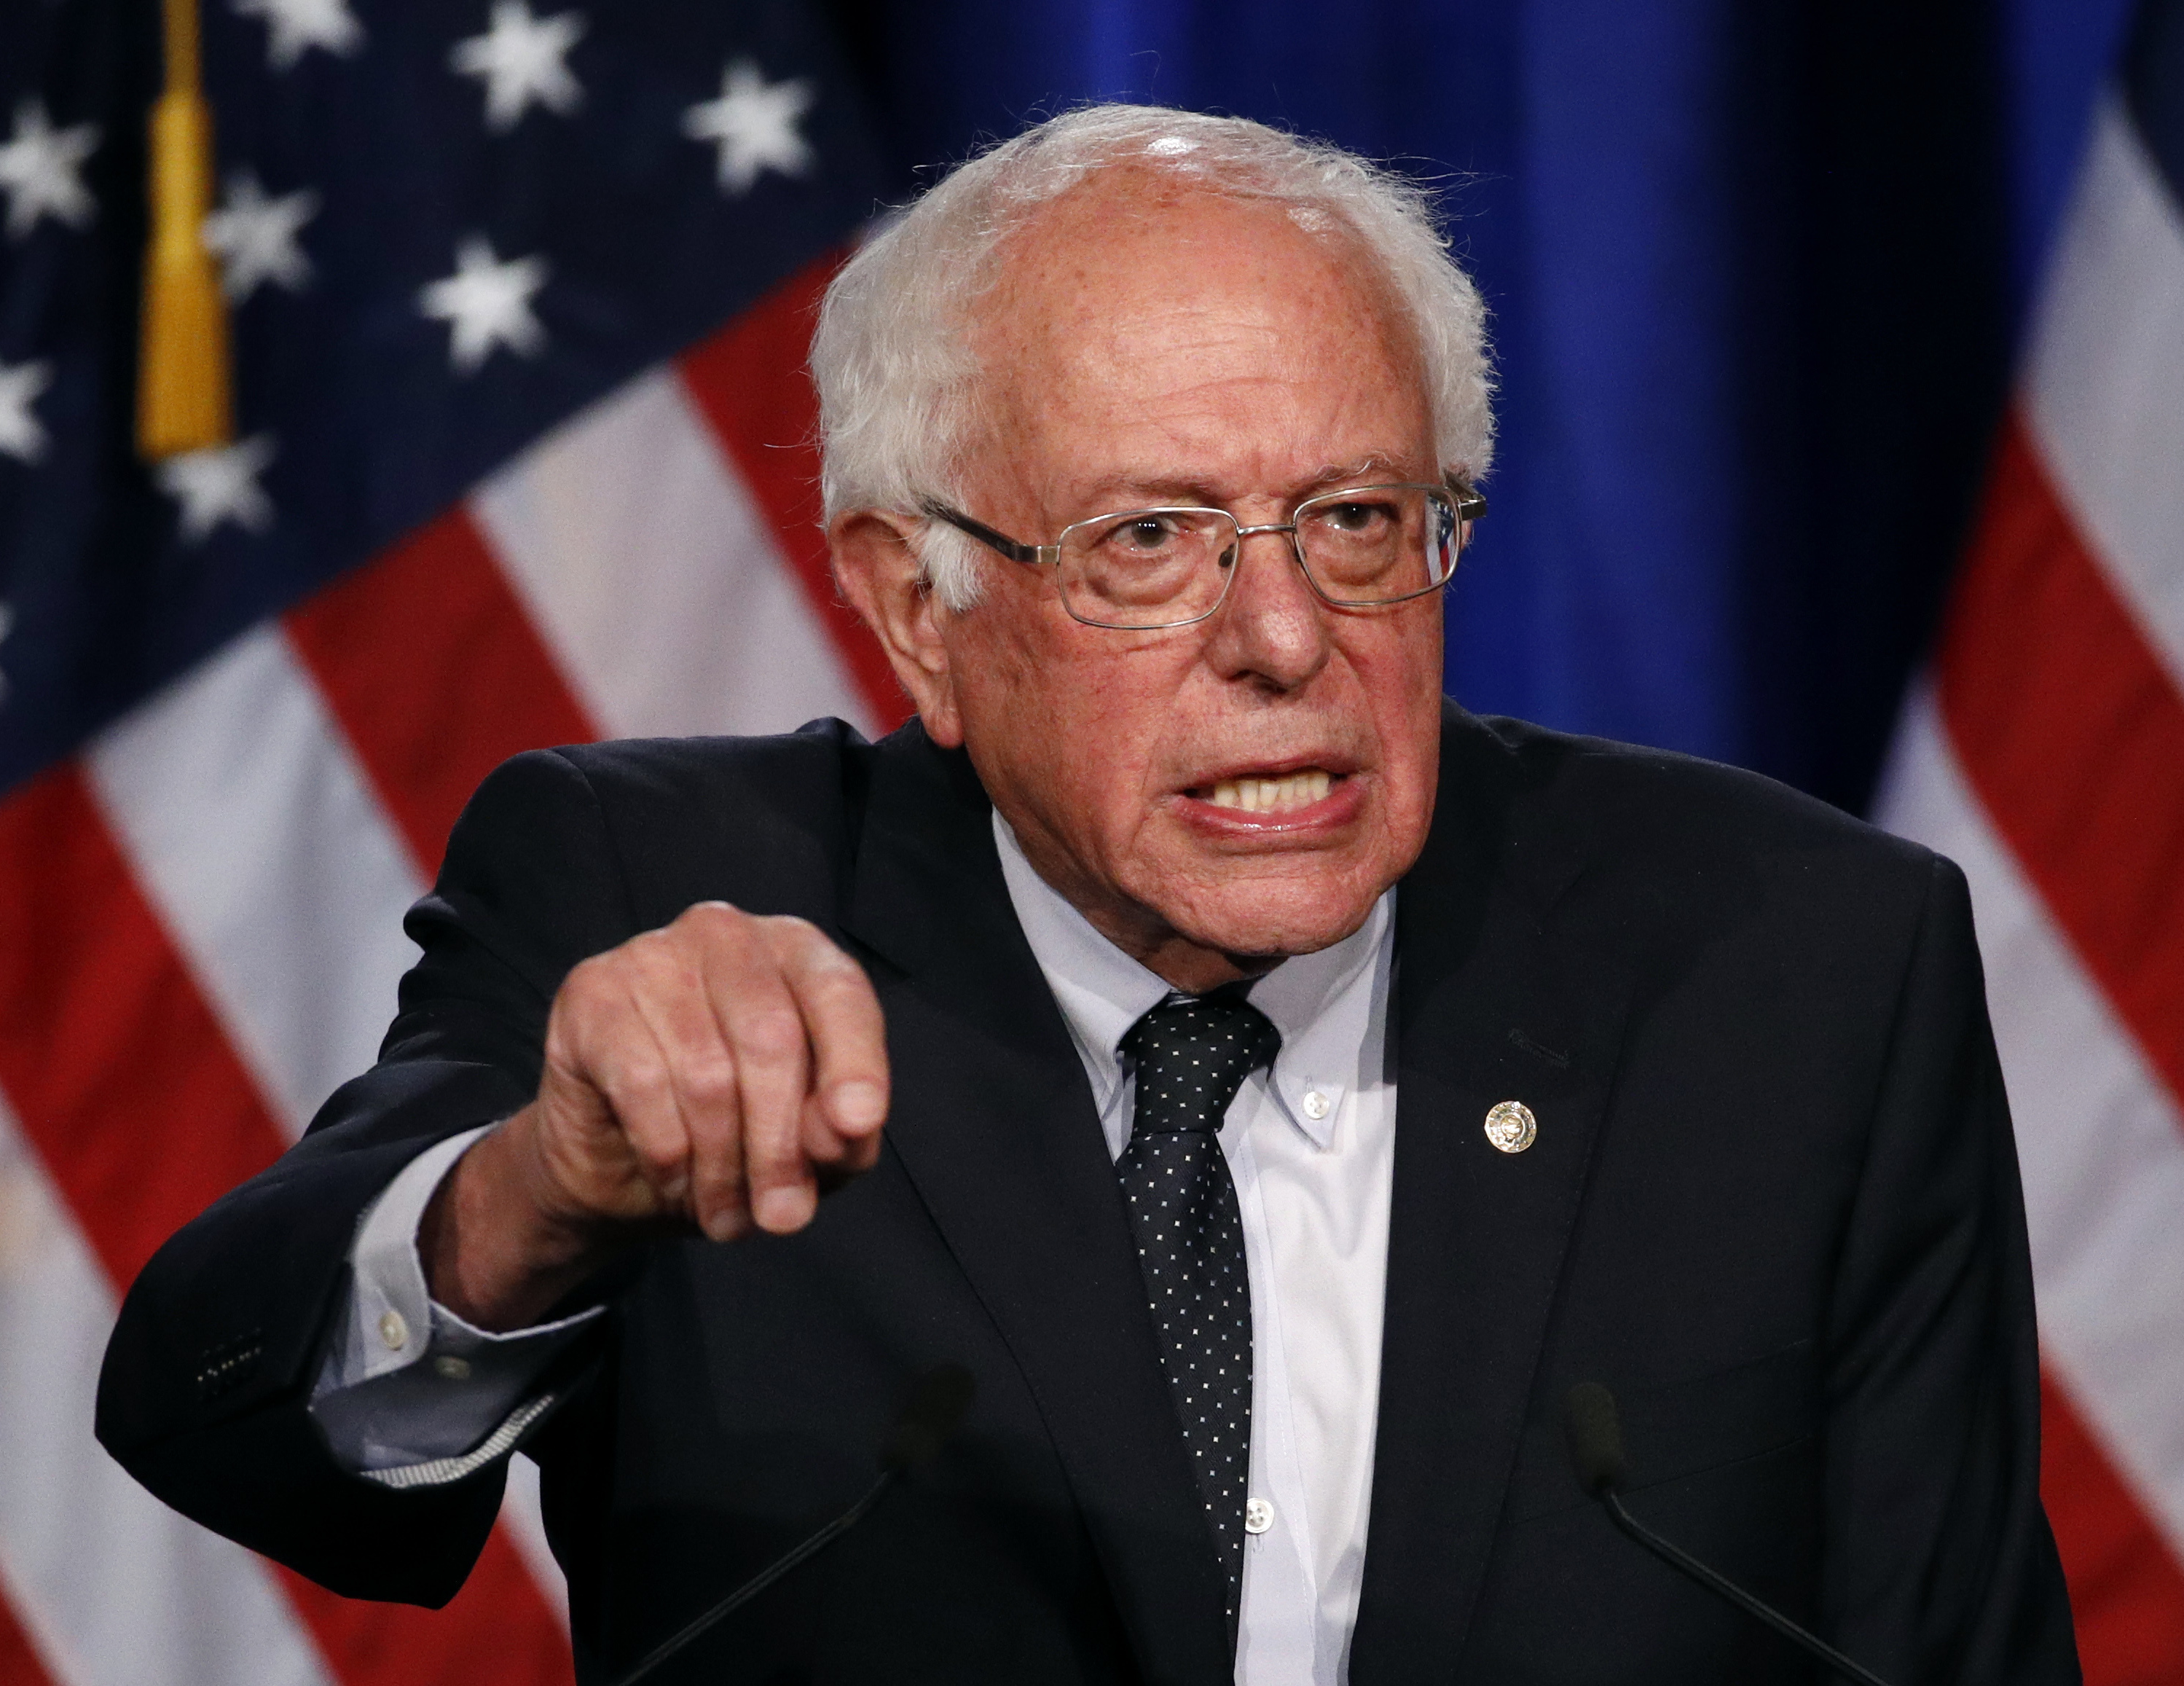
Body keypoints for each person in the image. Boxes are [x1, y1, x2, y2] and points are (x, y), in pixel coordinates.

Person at [97, 106, 2079, 1685]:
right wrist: (540, 1184)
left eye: (1359, 520)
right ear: (916, 609)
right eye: (1151, 540)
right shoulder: (662, 890)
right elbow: (221, 1406)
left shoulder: (1798, 969)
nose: (1289, 635)